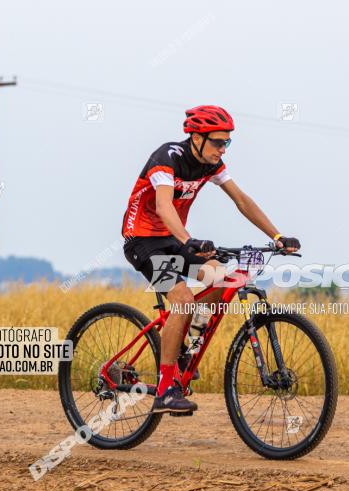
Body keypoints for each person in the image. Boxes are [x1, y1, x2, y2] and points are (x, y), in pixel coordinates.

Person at [122, 105, 300, 413]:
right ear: (196, 138)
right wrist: (189, 241)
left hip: (175, 238)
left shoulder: (211, 165)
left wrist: (277, 236)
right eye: (218, 142)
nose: (223, 148)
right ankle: (165, 391)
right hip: (143, 240)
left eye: (227, 142)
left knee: (225, 278)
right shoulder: (168, 158)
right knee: (183, 300)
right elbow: (164, 207)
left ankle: (183, 344)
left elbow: (241, 200)